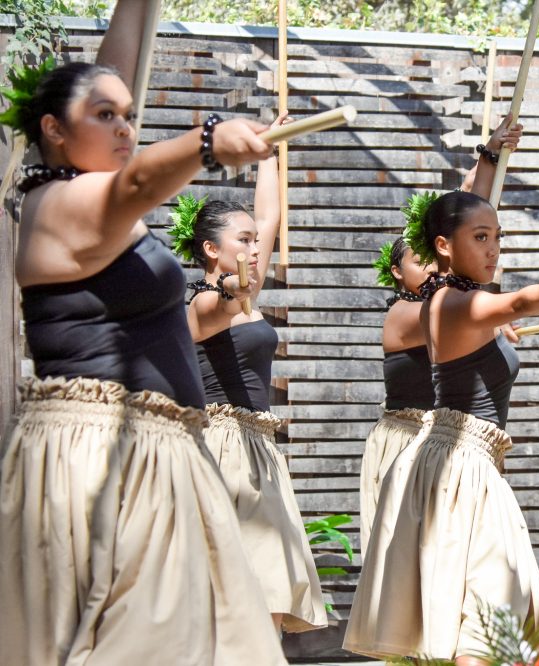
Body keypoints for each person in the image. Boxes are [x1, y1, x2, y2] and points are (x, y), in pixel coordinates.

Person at [0, 2, 287, 664]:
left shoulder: (89, 194)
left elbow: (116, 74)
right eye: (107, 117)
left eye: (130, 115)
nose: (127, 127)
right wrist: (208, 139)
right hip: (105, 453)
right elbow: (137, 177)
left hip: (147, 451)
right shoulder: (60, 205)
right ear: (53, 130)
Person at [344, 180, 539, 662]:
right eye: (480, 237)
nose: (493, 249)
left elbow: (497, 305)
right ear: (444, 246)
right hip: (458, 467)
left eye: (497, 237)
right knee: (487, 613)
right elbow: (514, 303)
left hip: (471, 464)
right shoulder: (447, 302)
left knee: (489, 613)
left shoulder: (464, 300)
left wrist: (490, 162)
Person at [168, 112, 328, 635]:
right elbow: (221, 304)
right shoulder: (205, 302)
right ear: (211, 250)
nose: (256, 248)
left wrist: (269, 149)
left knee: (269, 597)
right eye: (243, 242)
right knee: (235, 599)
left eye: (255, 242)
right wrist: (235, 293)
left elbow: (270, 214)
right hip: (221, 448)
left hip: (257, 448)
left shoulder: (245, 292)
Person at [358, 117, 522, 553]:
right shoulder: (407, 313)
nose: (432, 267)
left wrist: (488, 157)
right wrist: (487, 314)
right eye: (420, 261)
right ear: (397, 272)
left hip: (448, 442)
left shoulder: (449, 302)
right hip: (405, 441)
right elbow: (459, 310)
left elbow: (464, 213)